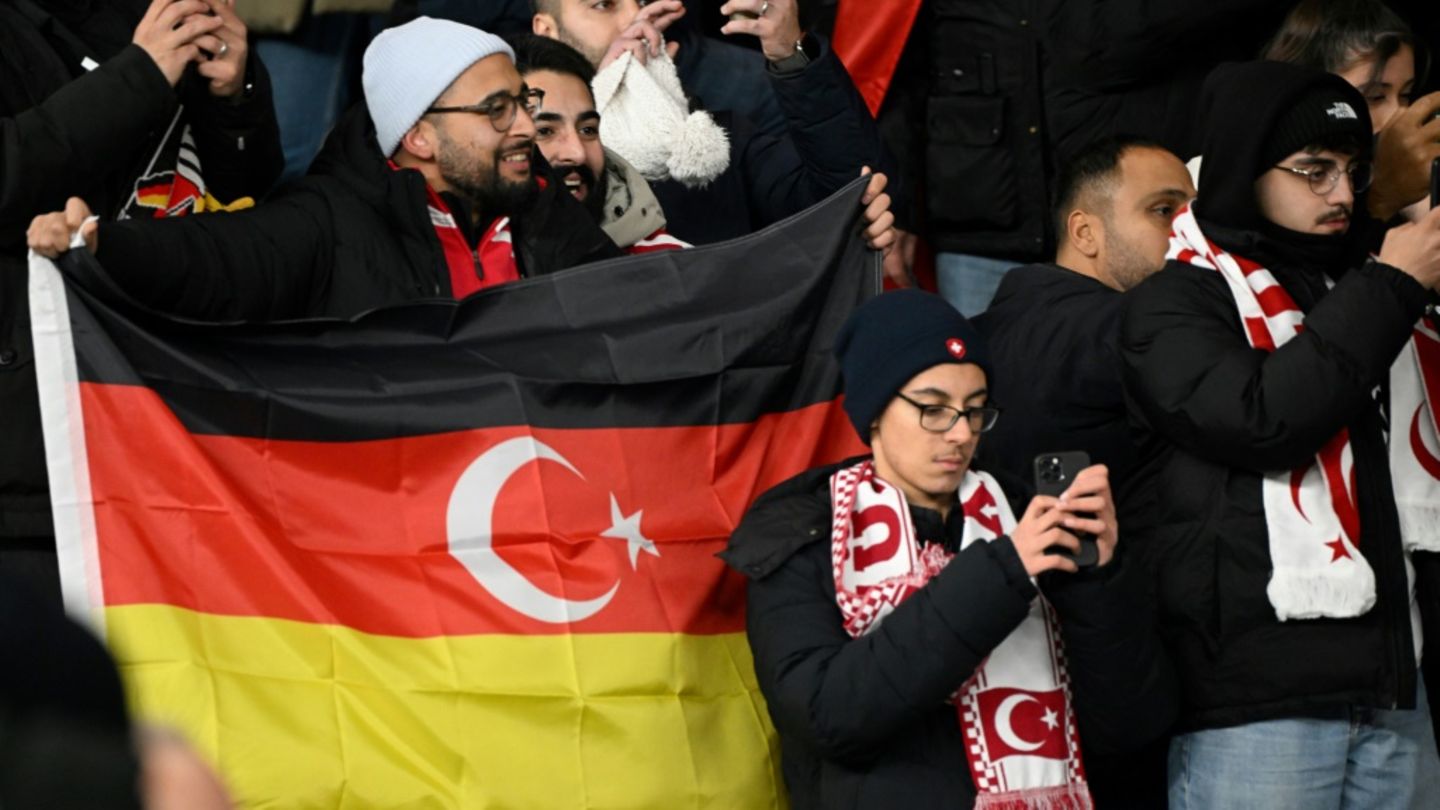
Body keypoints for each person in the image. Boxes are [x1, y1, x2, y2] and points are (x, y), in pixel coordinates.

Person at [1121, 60, 1440, 808]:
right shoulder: (1172, 302)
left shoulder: (1370, 286)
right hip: (1257, 705)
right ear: (1243, 171)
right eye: (1312, 170)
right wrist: (1392, 283)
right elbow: (1263, 419)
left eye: (1352, 172)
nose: (1341, 192)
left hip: (1395, 685)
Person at [722, 289, 1176, 809]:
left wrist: (1099, 579)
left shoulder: (1029, 519)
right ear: (874, 413)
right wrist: (1004, 571)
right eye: (934, 410)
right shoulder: (801, 532)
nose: (961, 433)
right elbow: (829, 718)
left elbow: (1131, 728)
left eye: (976, 411)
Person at [26, 17, 623, 321]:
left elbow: (641, 312)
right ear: (417, 134)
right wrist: (103, 247)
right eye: (497, 109)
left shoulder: (547, 211)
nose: (524, 126)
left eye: (523, 102)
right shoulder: (330, 222)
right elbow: (215, 259)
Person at [1, 0, 282, 604]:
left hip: (178, 410)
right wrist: (141, 74)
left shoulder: (163, 15)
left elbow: (245, 197)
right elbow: (11, 173)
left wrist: (237, 94)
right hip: (33, 441)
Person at [531, 0, 896, 251]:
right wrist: (605, 101)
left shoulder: (716, 140)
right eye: (603, 4)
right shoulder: (519, 149)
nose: (633, 18)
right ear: (547, 29)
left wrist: (790, 54)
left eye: (641, 1)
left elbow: (848, 194)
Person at [976, 136, 1194, 490]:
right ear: (1085, 232)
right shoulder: (1136, 324)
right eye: (1164, 210)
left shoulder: (981, 331)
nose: (1189, 231)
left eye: (1194, 214)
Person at [1261, 0, 1440, 223]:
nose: (1399, 114)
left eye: (1406, 94)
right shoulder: (1280, 182)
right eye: (1375, 97)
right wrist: (1384, 198)